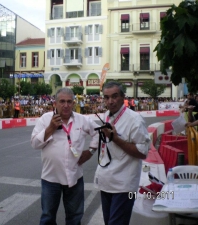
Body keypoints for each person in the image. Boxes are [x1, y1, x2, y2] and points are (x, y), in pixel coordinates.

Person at [31, 87, 99, 225]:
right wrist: (50, 128)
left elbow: (98, 132)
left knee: (74, 218)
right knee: (47, 218)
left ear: (73, 103)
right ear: (55, 103)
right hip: (51, 179)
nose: (66, 105)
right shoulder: (45, 119)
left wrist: (91, 151)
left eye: (69, 101)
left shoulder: (82, 120)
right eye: (62, 101)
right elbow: (34, 144)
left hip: (74, 177)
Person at [94, 81, 150, 225]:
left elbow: (142, 153)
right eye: (106, 97)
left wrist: (115, 138)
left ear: (122, 97)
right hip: (106, 182)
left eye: (114, 96)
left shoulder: (135, 119)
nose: (110, 101)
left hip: (124, 185)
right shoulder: (106, 115)